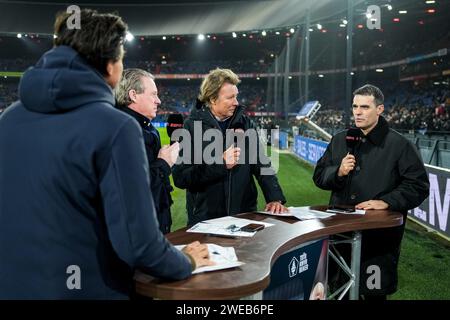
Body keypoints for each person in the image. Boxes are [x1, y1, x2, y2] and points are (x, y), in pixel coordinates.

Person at [0, 9, 211, 299]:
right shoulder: (115, 127)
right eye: (121, 57)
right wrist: (185, 261)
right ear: (111, 66)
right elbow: (139, 244)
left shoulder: (10, 118)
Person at [313, 84, 429, 299]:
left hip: (378, 240)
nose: (357, 112)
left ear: (380, 109)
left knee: (373, 294)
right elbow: (319, 177)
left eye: (365, 107)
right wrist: (337, 172)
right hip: (340, 236)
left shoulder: (400, 145)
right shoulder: (340, 139)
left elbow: (418, 185)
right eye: (355, 106)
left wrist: (387, 201)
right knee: (340, 291)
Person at [172, 68, 287, 226]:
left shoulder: (246, 123)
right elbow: (181, 177)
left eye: (236, 96)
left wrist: (275, 198)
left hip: (244, 215)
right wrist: (220, 163)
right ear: (213, 99)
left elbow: (262, 164)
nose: (236, 102)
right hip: (206, 220)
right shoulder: (192, 126)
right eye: (230, 97)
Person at [115, 69, 178, 234]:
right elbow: (133, 191)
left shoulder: (146, 128)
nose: (158, 100)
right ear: (134, 95)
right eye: (153, 94)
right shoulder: (122, 131)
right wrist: (164, 163)